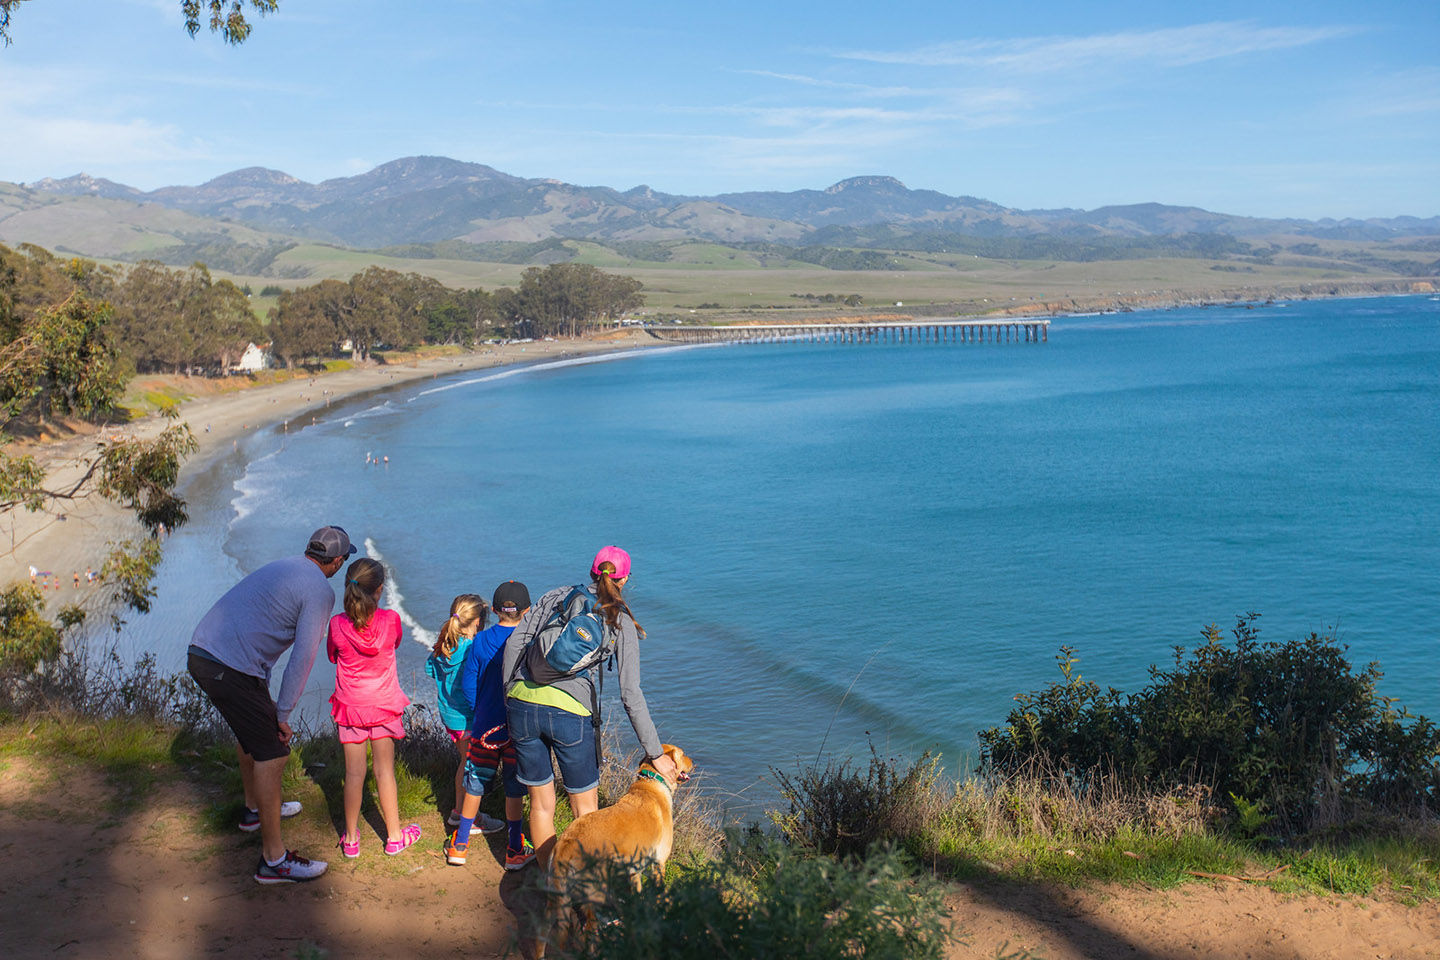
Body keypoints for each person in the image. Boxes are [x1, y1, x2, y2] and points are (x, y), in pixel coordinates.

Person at [187, 525, 355, 884]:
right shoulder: (320, 592)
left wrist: (267, 700)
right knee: (274, 754)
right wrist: (282, 712)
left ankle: (253, 811)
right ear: (338, 561)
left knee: (254, 738)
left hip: (207, 652)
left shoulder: (286, 564)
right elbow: (304, 656)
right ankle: (274, 860)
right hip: (227, 666)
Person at [502, 547, 676, 868]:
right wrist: (655, 753)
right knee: (587, 815)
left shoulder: (558, 596)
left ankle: (552, 889)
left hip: (523, 704)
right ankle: (589, 906)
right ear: (624, 579)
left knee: (541, 806)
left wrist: (509, 694)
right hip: (570, 715)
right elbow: (630, 694)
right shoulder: (619, 619)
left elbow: (515, 642)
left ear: (592, 572)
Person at [328, 557, 421, 858]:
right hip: (382, 705)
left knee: (354, 774)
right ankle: (394, 837)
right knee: (385, 772)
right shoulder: (391, 620)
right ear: (379, 590)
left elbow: (332, 655)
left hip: (351, 707)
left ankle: (352, 840)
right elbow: (393, 644)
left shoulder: (337, 625)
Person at [445, 581, 534, 870]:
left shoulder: (480, 641)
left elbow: (469, 685)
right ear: (527, 610)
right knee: (513, 788)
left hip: (484, 728)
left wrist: (481, 711)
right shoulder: (529, 643)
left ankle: (459, 846)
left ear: (494, 610)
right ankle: (514, 849)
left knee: (475, 784)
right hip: (516, 729)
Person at [425, 594, 487, 824]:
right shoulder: (471, 649)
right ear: (477, 621)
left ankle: (459, 810)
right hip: (466, 718)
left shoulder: (445, 644)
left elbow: (430, 670)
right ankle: (465, 814)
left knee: (464, 761)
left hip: (449, 716)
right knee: (470, 765)